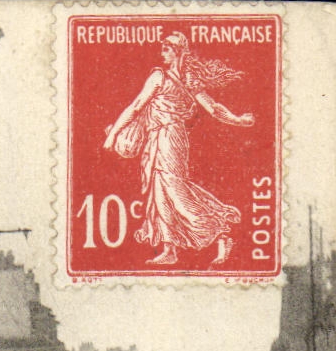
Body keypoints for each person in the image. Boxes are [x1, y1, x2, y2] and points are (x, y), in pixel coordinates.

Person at [103, 32, 255, 266]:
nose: (162, 53)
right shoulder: (183, 78)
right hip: (161, 137)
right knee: (160, 190)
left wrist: (113, 134)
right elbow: (212, 108)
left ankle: (220, 231)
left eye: (166, 49)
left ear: (176, 52)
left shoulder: (163, 77)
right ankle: (169, 248)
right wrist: (238, 119)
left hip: (169, 137)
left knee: (174, 189)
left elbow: (136, 107)